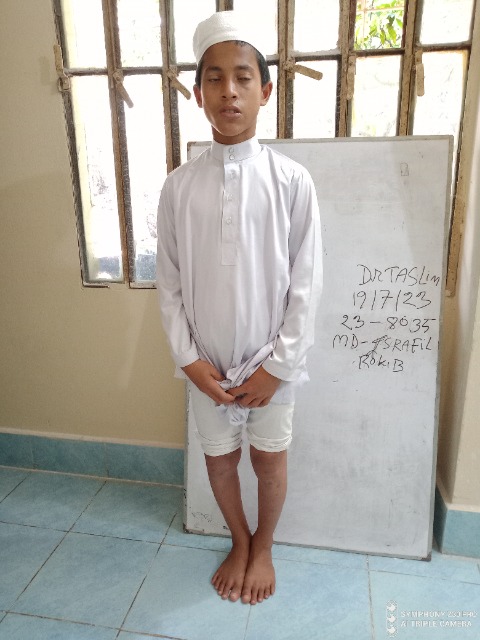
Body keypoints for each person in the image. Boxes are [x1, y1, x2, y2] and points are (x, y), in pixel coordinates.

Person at [156, 10, 322, 606]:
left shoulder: (292, 181)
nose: (230, 91)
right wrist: (190, 362)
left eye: (244, 77)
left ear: (265, 91)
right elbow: (169, 284)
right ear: (197, 93)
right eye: (215, 78)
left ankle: (265, 545)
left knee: (269, 461)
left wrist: (278, 367)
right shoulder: (178, 187)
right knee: (220, 463)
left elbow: (307, 283)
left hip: (271, 363)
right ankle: (239, 539)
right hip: (206, 365)